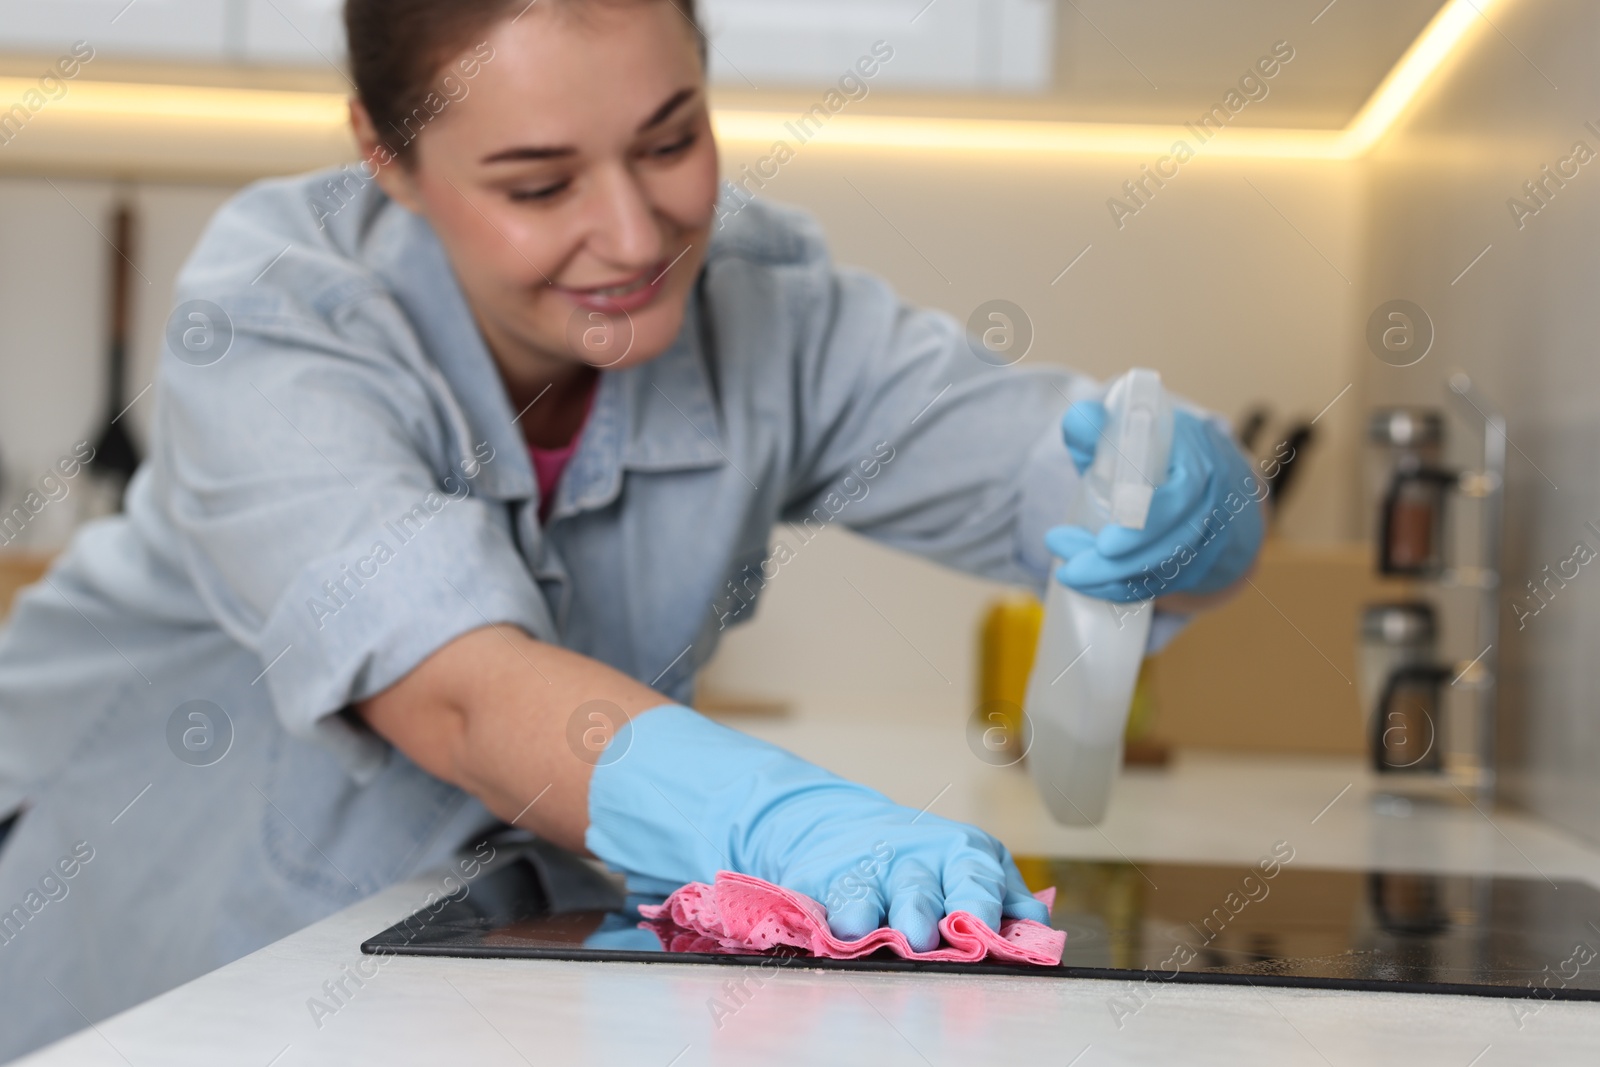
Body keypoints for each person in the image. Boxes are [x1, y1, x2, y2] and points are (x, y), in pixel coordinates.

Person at [0, 0, 1263, 1057]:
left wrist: (1194, 503)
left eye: (671, 142)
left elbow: (1053, 473)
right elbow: (456, 694)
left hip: (445, 966)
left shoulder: (768, 311)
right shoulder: (277, 314)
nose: (635, 234)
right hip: (127, 914)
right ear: (385, 156)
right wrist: (784, 821)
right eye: (538, 183)